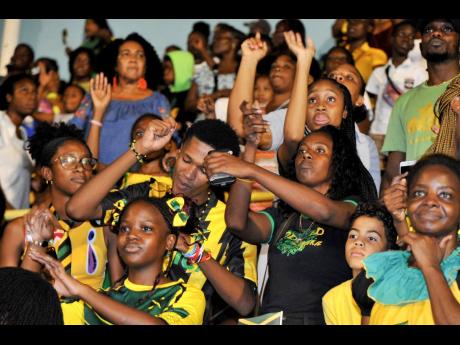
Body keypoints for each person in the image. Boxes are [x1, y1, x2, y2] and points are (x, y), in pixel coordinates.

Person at [65, 118, 257, 324]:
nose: (188, 174)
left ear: (221, 175)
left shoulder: (231, 222)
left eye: (203, 170)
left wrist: (197, 254)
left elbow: (245, 303)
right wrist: (139, 149)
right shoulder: (148, 193)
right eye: (186, 160)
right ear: (178, 151)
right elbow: (77, 209)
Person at [205, 123, 376, 325]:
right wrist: (249, 153)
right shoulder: (284, 215)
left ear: (338, 163)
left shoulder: (353, 207)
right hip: (271, 320)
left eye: (319, 150)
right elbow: (236, 222)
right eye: (302, 151)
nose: (306, 155)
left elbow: (325, 212)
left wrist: (252, 171)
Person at [28, 196, 206, 325]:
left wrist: (82, 290)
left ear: (169, 242)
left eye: (146, 228)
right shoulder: (95, 302)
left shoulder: (185, 295)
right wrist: (37, 243)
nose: (132, 236)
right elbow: (22, 311)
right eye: (124, 228)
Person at [0, 121, 123, 291]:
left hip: (94, 317)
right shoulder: (19, 229)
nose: (80, 167)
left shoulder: (106, 225)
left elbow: (118, 292)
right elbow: (13, 298)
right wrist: (37, 242)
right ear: (47, 173)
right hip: (43, 316)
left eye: (87, 161)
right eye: (68, 160)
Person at [352, 154, 460, 325]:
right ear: (406, 202)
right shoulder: (376, 276)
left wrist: (431, 267)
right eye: (419, 193)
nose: (430, 201)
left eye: (445, 195)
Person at [381, 19, 460, 192]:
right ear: (421, 45)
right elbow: (392, 174)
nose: (436, 33)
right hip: (416, 207)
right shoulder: (404, 101)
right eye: (428, 30)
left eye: (447, 28)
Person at [70, 33, 170, 165]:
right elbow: (71, 132)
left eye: (140, 55)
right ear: (115, 65)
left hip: (136, 180)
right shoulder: (97, 94)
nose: (133, 59)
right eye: (126, 54)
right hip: (94, 177)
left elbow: (169, 143)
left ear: (145, 67)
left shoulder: (158, 101)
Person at [322, 201, 399, 325]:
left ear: (388, 252)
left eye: (371, 238)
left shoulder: (402, 293)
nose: (358, 242)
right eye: (353, 236)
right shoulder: (332, 299)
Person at [366, 20, 428, 158]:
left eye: (411, 36)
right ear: (391, 38)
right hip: (378, 132)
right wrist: (370, 120)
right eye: (402, 34)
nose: (407, 39)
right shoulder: (380, 72)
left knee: (398, 173)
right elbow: (370, 100)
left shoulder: (419, 72)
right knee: (374, 174)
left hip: (403, 133)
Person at [0, 73, 37, 209]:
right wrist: (5, 206)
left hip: (18, 216)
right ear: (9, 97)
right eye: (24, 90)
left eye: (34, 92)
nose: (32, 96)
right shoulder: (1, 124)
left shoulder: (23, 133)